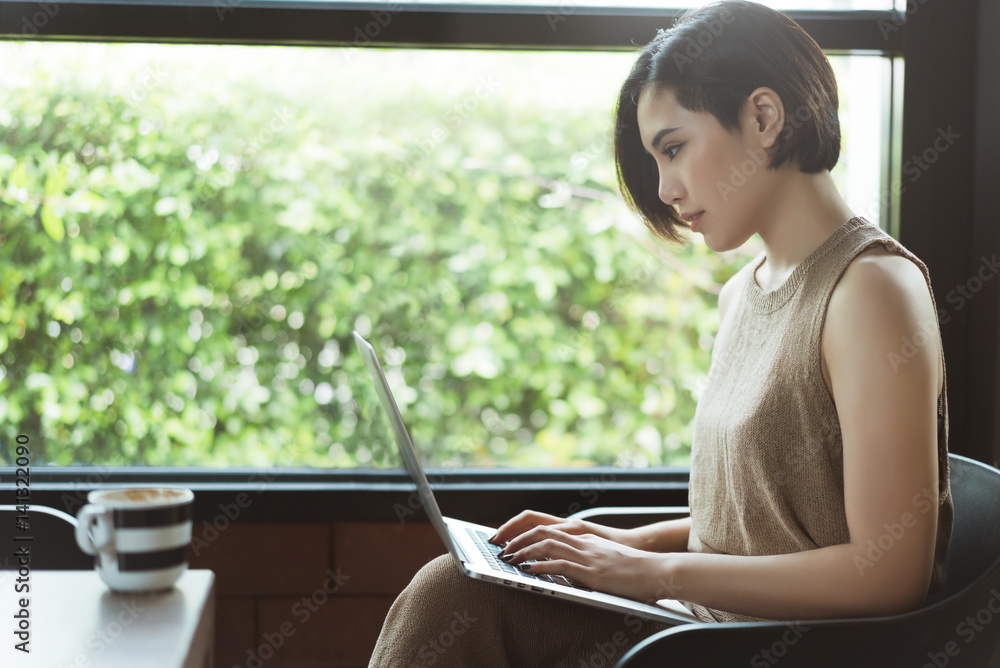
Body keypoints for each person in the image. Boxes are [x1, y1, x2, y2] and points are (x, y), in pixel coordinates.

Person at [369, 0, 953, 664]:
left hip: (763, 645)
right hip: (698, 628)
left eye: (673, 148)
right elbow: (751, 533)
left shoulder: (871, 291)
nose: (666, 188)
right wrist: (618, 548)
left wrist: (652, 573)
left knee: (456, 600)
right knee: (456, 588)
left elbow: (889, 574)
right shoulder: (744, 294)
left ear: (763, 118)